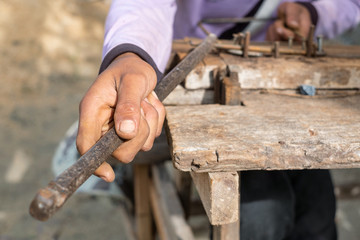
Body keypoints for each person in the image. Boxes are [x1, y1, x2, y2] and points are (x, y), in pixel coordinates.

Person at [66, 0, 359, 239]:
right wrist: (130, 55)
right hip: (191, 74)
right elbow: (145, 5)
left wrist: (312, 10)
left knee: (318, 211)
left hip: (281, 83)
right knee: (262, 212)